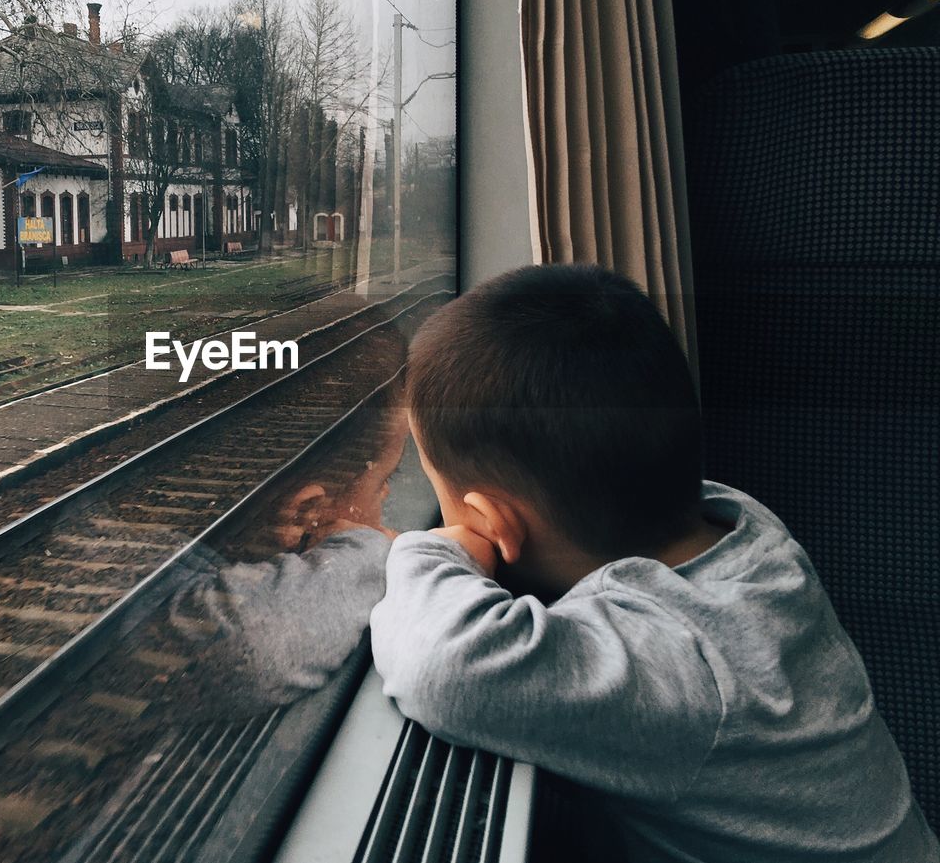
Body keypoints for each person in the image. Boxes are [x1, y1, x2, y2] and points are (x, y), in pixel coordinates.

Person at [369, 264, 939, 863]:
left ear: (494, 525)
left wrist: (441, 548)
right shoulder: (740, 523)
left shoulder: (681, 663)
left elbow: (442, 669)